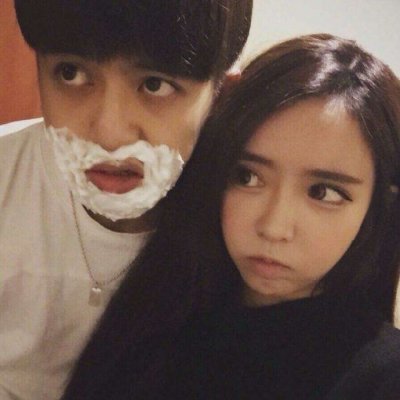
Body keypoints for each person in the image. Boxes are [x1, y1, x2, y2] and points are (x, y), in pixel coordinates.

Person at [62, 34, 400, 399]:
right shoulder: (157, 318)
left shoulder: (382, 376)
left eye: (323, 192)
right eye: (247, 177)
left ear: (377, 206)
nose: (274, 227)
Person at [0, 1, 253, 399]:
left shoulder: (242, 224)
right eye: (71, 73)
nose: (110, 133)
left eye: (155, 84)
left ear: (221, 95)